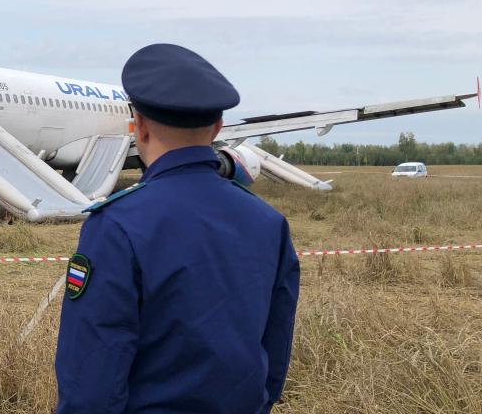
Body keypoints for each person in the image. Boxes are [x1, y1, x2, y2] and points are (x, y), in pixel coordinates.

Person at [55, 43, 300, 414]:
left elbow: (92, 377)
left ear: (138, 127)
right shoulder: (267, 221)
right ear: (218, 127)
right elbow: (275, 347)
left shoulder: (116, 225)